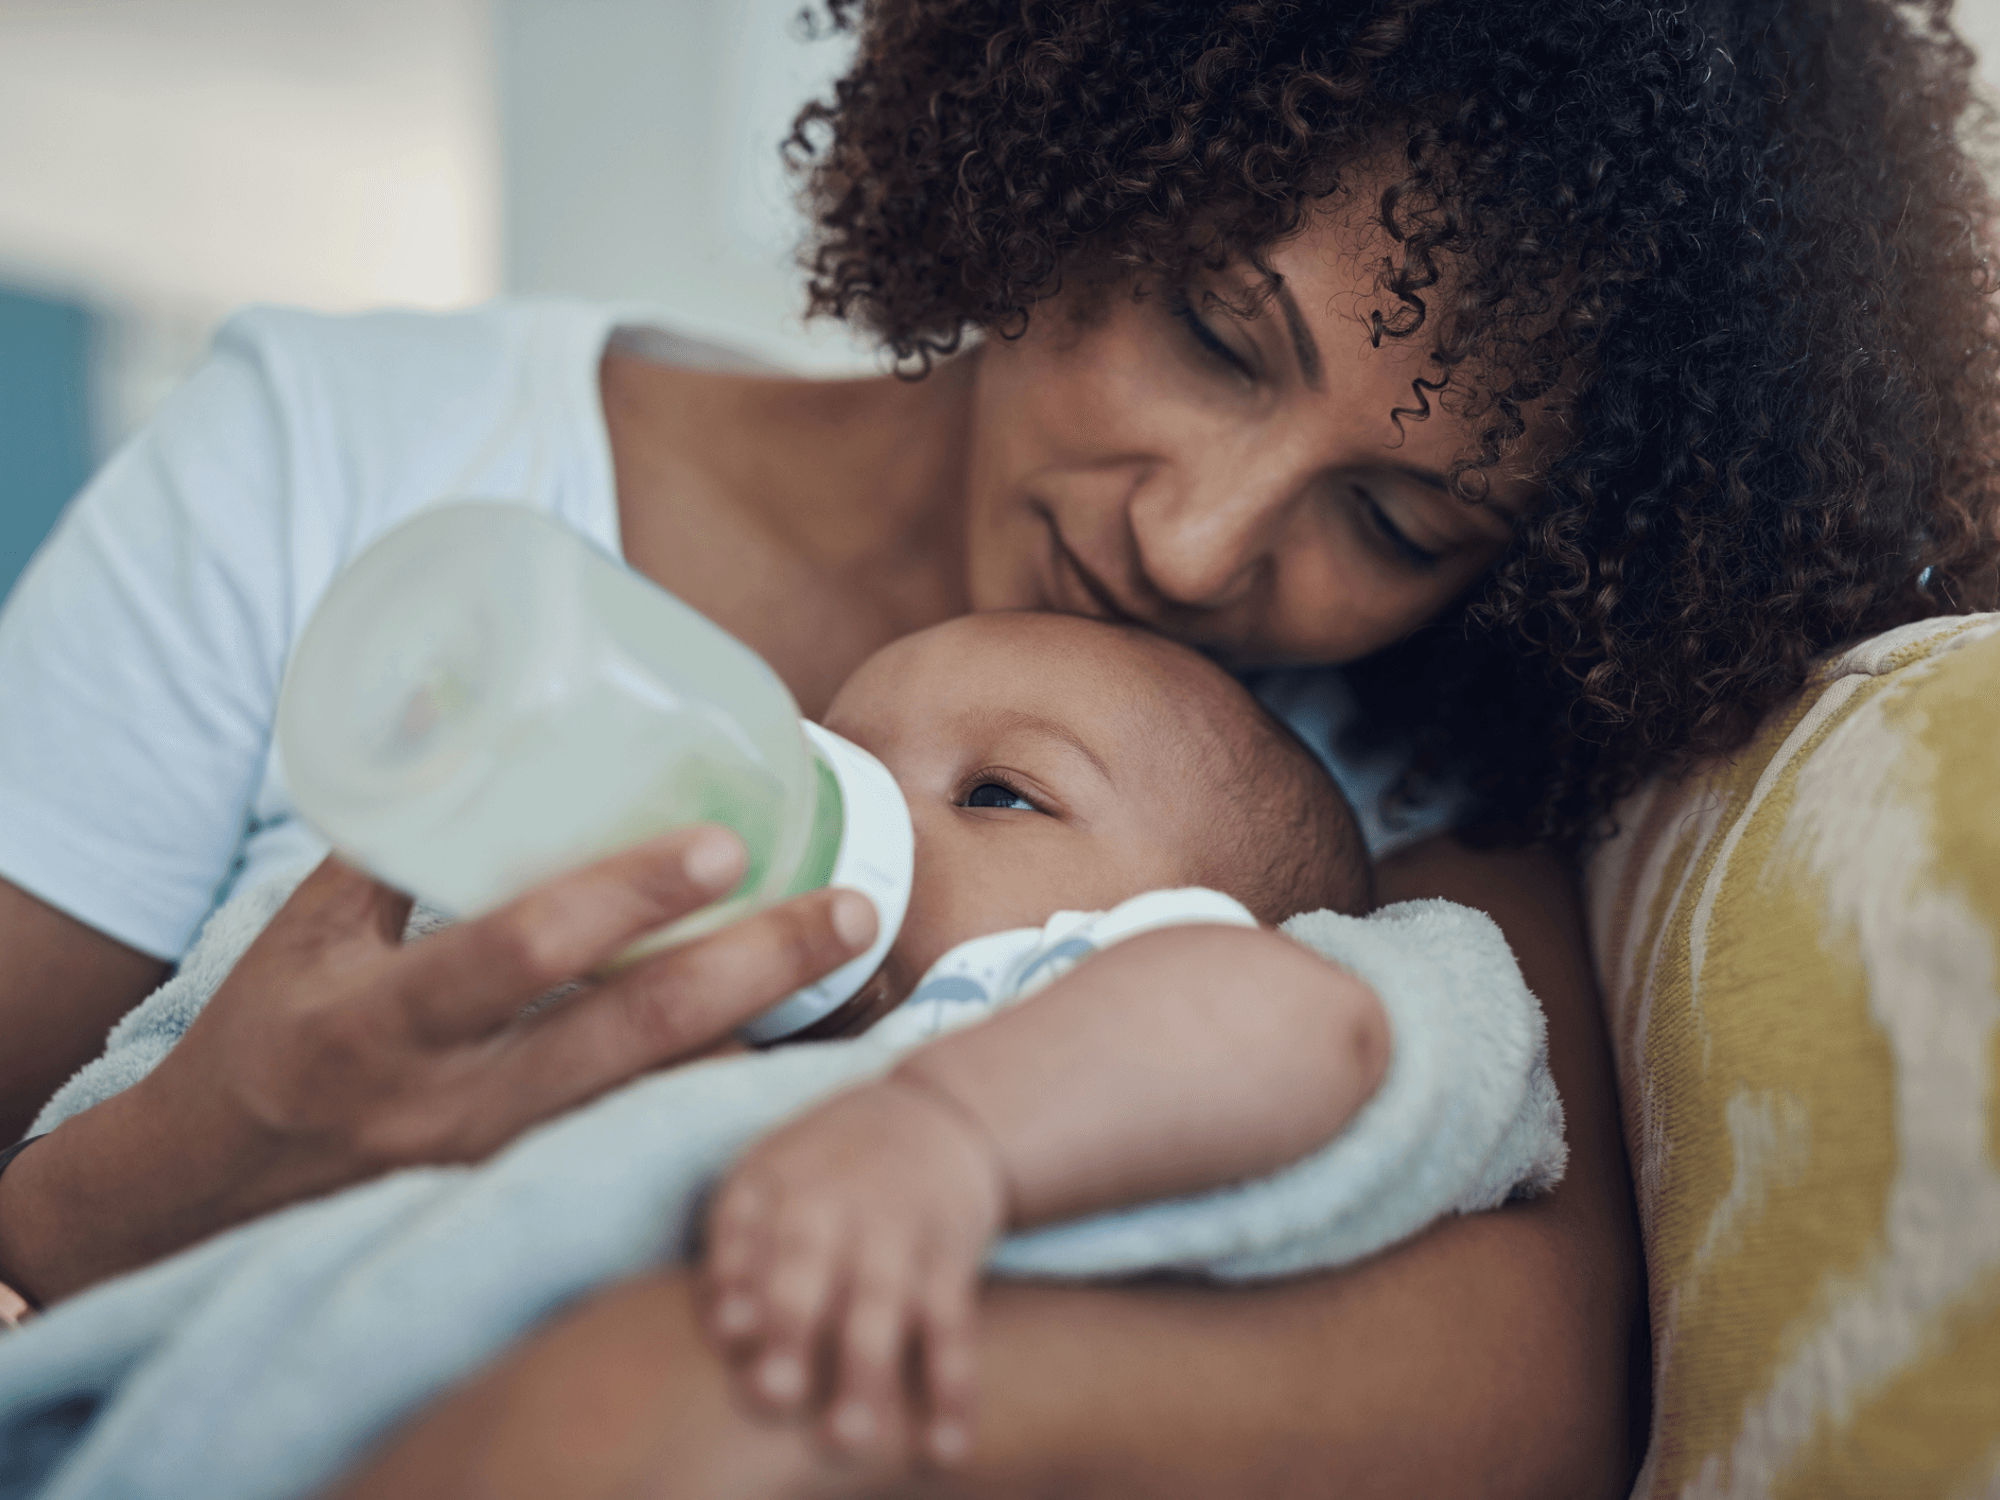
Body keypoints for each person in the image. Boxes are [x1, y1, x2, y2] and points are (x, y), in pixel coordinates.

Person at [1, 0, 1994, 1492]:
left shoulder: (1396, 791)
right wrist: (134, 1199)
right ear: (1074, 135)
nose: (1198, 543)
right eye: (1219, 332)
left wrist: (677, 1402)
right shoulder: (349, 464)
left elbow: (1526, 1399)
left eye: (1395, 524)